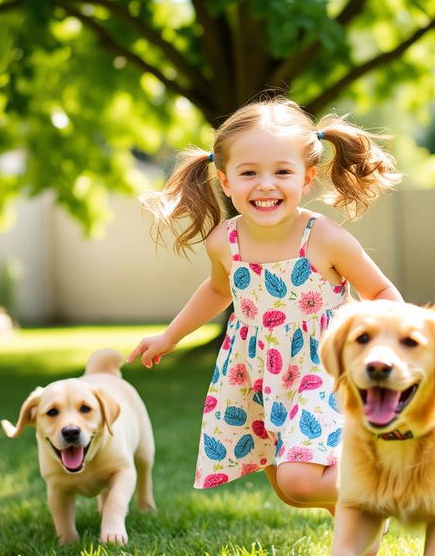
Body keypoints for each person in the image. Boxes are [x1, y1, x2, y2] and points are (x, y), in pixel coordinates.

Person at [128, 96, 403, 518]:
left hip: (322, 366)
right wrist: (170, 335)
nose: (266, 184)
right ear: (225, 180)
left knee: (300, 477)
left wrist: (390, 344)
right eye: (249, 172)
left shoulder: (323, 237)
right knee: (290, 489)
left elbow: (382, 293)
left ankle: (391, 479)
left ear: (307, 179)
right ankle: (356, 517)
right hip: (258, 371)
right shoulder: (225, 241)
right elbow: (219, 292)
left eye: (282, 172)